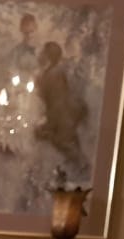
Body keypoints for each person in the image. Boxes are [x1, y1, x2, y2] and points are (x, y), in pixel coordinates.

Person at [34, 40, 90, 176]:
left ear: (48, 56)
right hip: (63, 115)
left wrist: (48, 122)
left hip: (62, 117)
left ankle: (81, 167)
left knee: (63, 142)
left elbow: (56, 102)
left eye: (43, 52)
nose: (39, 55)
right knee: (67, 141)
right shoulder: (50, 72)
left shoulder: (54, 74)